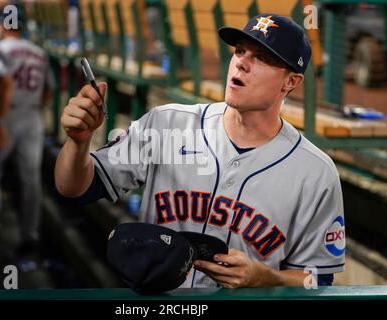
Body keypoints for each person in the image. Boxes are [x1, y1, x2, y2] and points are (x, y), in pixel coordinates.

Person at [54, 14, 346, 288]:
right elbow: (75, 188)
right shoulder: (166, 123)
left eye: (261, 58)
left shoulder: (315, 172)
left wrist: (268, 277)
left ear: (290, 82)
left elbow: (317, 279)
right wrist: (78, 142)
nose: (242, 63)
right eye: (240, 51)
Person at [0, 12, 53, 257]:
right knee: (31, 179)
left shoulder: (0, 48)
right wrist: (35, 110)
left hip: (6, 114)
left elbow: (2, 86)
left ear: (3, 25)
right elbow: (49, 91)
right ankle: (30, 236)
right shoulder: (38, 52)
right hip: (32, 116)